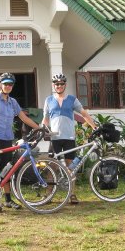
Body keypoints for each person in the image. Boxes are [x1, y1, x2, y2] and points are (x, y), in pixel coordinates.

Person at [0, 72, 39, 213]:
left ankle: (8, 200)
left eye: (10, 84)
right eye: (5, 83)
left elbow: (24, 118)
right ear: (0, 84)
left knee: (6, 170)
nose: (8, 86)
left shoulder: (13, 102)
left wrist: (39, 128)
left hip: (7, 139)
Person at [42, 73, 96, 204]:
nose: (58, 86)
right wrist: (42, 129)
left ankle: (72, 194)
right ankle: (49, 194)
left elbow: (83, 114)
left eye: (61, 84)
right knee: (51, 166)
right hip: (54, 138)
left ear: (65, 85)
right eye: (56, 84)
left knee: (70, 166)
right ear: (53, 85)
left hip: (69, 138)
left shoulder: (72, 99)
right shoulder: (48, 100)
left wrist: (94, 126)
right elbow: (45, 119)